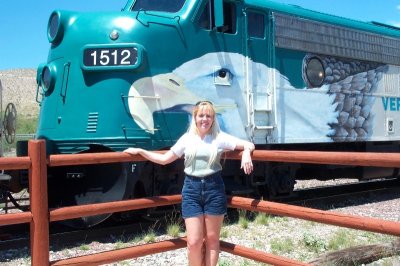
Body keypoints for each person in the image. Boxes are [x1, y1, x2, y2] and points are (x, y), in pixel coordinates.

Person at [124, 101, 255, 266]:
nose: (205, 119)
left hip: (214, 188)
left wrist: (246, 153)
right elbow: (165, 159)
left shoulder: (219, 138)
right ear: (195, 118)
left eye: (209, 116)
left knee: (213, 240)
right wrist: (141, 151)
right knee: (194, 242)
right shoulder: (187, 139)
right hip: (191, 190)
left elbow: (248, 144)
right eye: (201, 115)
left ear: (213, 119)